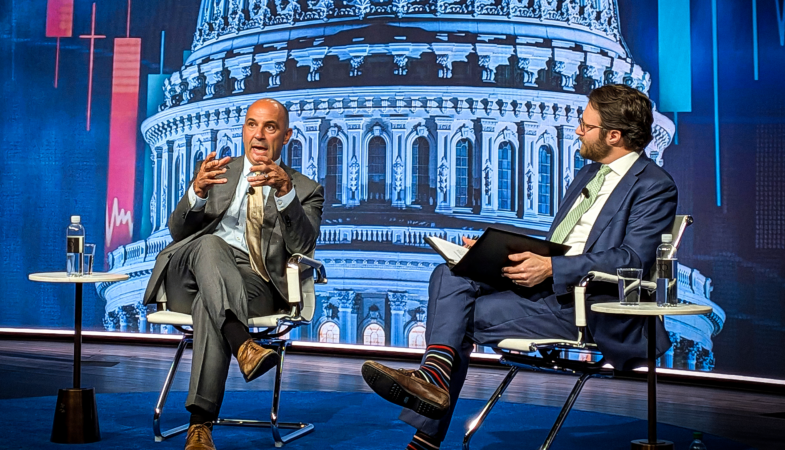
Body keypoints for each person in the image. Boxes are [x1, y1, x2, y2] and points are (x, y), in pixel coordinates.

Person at [360, 84, 677, 450]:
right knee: (451, 271)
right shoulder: (588, 175)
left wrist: (553, 268)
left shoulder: (654, 185)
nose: (577, 131)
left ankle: (428, 416)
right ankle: (434, 375)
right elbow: (560, 241)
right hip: (544, 289)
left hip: (586, 305)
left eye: (586, 126)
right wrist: (495, 252)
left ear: (615, 135)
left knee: (457, 317)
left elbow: (632, 260)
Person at [143, 98, 324, 450]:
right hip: (188, 274)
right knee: (210, 246)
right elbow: (178, 232)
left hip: (253, 285)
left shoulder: (305, 189)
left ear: (286, 136)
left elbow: (303, 245)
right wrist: (196, 192)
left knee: (209, 307)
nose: (258, 135)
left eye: (269, 127)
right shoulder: (219, 172)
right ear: (243, 130)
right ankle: (244, 345)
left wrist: (285, 193)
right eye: (251, 125)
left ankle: (200, 427)